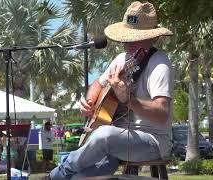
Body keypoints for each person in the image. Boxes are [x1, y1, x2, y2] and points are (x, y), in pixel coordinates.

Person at [49, 1, 174, 179]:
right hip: (116, 141)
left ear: (152, 37)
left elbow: (162, 114)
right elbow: (98, 84)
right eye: (126, 38)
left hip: (152, 141)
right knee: (79, 177)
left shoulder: (159, 64)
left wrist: (128, 99)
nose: (128, 43)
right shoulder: (121, 59)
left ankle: (57, 174)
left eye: (134, 38)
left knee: (104, 135)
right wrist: (90, 103)